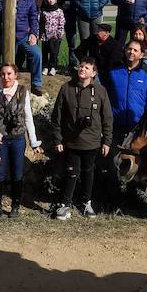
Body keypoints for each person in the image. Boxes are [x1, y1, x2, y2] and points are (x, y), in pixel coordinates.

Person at [47, 58, 112, 219]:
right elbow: (57, 117)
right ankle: (65, 204)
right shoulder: (66, 88)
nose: (82, 69)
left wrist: (107, 141)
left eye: (87, 67)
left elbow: (107, 118)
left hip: (92, 142)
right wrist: (58, 139)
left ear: (94, 73)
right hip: (71, 142)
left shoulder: (100, 91)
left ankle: (86, 203)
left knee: (88, 172)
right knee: (71, 173)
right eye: (81, 66)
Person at [104, 39, 147, 214]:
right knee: (112, 163)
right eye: (129, 49)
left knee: (136, 165)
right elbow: (103, 96)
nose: (131, 52)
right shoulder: (113, 71)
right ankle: (113, 201)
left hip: (137, 129)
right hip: (115, 126)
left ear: (141, 54)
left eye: (135, 50)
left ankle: (133, 200)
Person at [0, 62, 42, 217]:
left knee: (17, 174)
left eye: (9, 74)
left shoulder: (23, 92)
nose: (6, 77)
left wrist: (34, 141)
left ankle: (15, 206)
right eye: (3, 74)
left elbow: (28, 118)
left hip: (17, 139)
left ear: (15, 75)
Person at [0, 0, 44, 95]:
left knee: (37, 54)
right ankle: (8, 85)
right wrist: (7, 11)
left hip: (23, 36)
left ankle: (36, 84)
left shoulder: (29, 0)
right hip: (7, 37)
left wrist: (33, 34)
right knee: (9, 62)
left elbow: (33, 19)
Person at [40, 0, 67, 74]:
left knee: (54, 52)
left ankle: (53, 67)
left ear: (55, 0)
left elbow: (62, 23)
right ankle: (45, 67)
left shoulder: (59, 11)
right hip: (45, 35)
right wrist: (41, 33)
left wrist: (59, 33)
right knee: (44, 52)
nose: (51, 0)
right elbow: (41, 22)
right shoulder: (43, 11)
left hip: (55, 36)